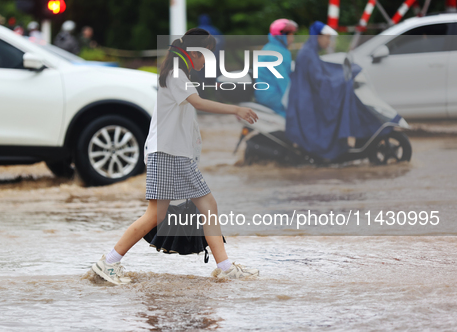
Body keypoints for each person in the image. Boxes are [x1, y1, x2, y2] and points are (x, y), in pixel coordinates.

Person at [91, 28, 260, 285]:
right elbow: (199, 102)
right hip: (169, 154)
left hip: (170, 153)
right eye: (205, 55)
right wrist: (236, 109)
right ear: (194, 52)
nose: (206, 61)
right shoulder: (177, 74)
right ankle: (109, 262)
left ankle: (110, 262)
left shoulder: (178, 72)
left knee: (177, 212)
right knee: (178, 211)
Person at [285, 21, 397, 161]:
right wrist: (343, 81)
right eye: (326, 37)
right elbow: (320, 83)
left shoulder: (310, 52)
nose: (328, 41)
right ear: (317, 37)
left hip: (311, 99)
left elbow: (323, 73)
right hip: (310, 104)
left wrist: (343, 75)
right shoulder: (307, 54)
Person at [254, 19, 298, 117]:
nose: (292, 38)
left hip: (274, 91)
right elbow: (282, 80)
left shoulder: (279, 49)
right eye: (290, 35)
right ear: (280, 36)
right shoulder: (273, 53)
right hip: (271, 94)